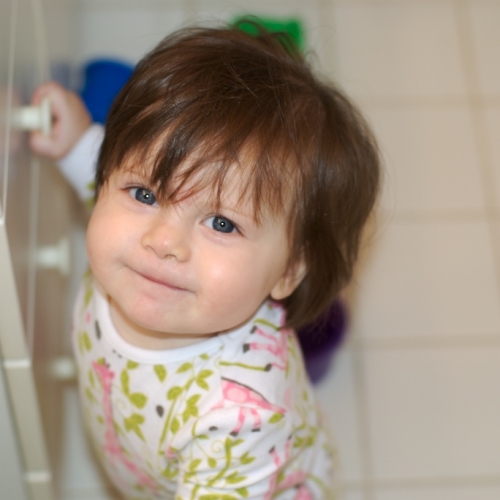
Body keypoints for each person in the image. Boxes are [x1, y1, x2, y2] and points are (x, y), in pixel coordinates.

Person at [30, 24, 380, 500]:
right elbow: (109, 178)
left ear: (287, 271)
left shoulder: (241, 419)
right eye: (146, 194)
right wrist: (74, 146)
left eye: (221, 224)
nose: (162, 240)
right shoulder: (135, 249)